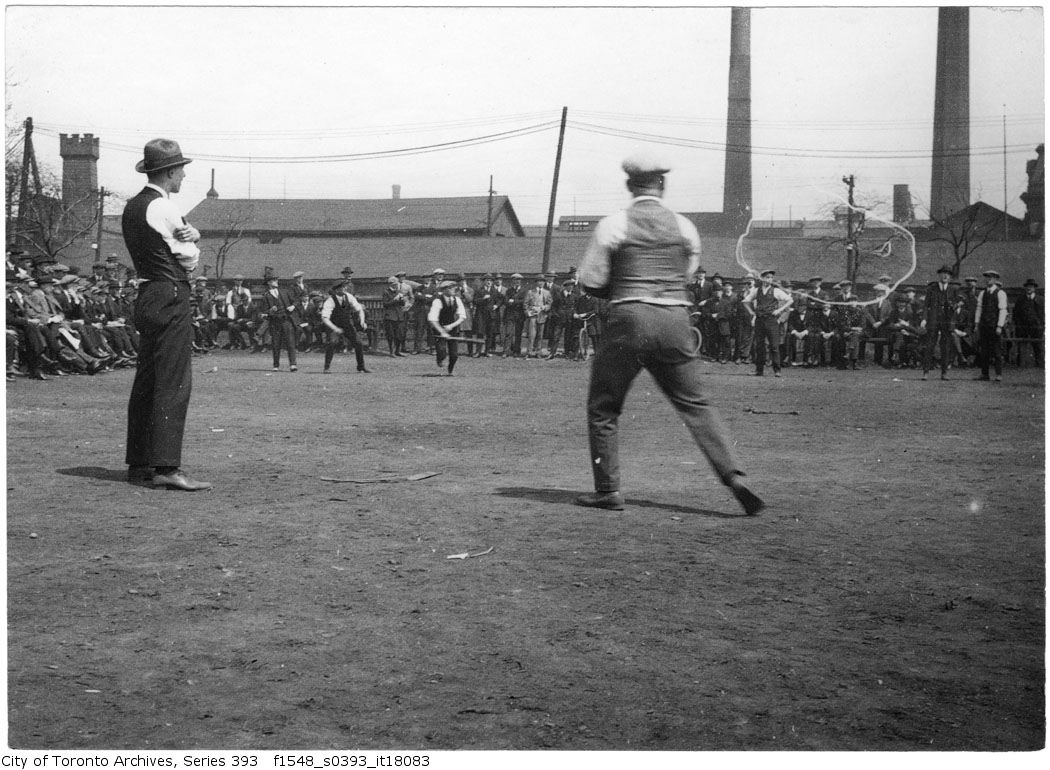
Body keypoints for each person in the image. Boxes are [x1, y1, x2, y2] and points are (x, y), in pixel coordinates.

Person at [575, 153, 763, 515]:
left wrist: (620, 287)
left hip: (630, 318)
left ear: (630, 186)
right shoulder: (685, 227)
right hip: (676, 319)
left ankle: (608, 490)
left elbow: (591, 281)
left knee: (604, 406)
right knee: (696, 403)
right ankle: (732, 475)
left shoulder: (613, 224)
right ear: (663, 185)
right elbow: (686, 274)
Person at [121, 138, 211, 490]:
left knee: (148, 378)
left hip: (147, 293)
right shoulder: (163, 207)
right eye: (181, 171)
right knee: (173, 380)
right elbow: (188, 258)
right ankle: (167, 468)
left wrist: (191, 233)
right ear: (170, 171)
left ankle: (140, 462)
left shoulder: (133, 207)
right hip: (171, 292)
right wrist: (194, 240)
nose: (184, 177)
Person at [743, 269, 792, 377]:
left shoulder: (776, 291)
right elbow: (745, 302)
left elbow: (789, 300)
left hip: (771, 321)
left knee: (774, 346)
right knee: (759, 346)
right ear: (762, 278)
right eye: (767, 277)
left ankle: (777, 370)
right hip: (760, 321)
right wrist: (752, 313)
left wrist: (779, 310)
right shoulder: (756, 290)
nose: (769, 279)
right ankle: (759, 370)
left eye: (771, 277)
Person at [322, 278, 370, 374]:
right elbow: (325, 318)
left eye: (344, 287)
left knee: (358, 343)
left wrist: (362, 321)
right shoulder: (330, 301)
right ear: (336, 290)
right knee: (332, 343)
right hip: (334, 325)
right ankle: (326, 368)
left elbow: (360, 309)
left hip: (347, 324)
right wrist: (335, 328)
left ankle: (361, 367)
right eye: (342, 287)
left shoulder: (349, 297)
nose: (344, 289)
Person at [920, 265, 960, 380]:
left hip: (946, 321)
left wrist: (955, 307)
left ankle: (944, 373)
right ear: (939, 275)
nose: (945, 276)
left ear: (950, 277)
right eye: (943, 273)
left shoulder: (953, 290)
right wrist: (924, 319)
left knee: (945, 346)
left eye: (948, 274)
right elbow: (926, 305)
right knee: (929, 346)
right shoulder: (932, 289)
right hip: (933, 320)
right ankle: (926, 372)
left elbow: (957, 306)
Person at [259, 274, 300, 371]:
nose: (276, 281)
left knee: (290, 343)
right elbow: (264, 311)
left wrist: (292, 306)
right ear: (269, 282)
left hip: (286, 320)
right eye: (274, 280)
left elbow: (296, 301)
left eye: (276, 280)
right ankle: (276, 365)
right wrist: (270, 311)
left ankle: (293, 364)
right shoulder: (266, 296)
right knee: (276, 344)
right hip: (275, 322)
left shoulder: (285, 291)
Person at [974, 269, 1008, 381]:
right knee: (984, 351)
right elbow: (979, 309)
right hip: (984, 326)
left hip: (994, 326)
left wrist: (999, 326)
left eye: (991, 277)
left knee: (997, 351)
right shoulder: (982, 293)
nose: (988, 279)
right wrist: (977, 324)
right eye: (987, 277)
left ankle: (998, 374)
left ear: (995, 279)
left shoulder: (1000, 293)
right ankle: (985, 374)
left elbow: (1003, 310)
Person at [428, 279, 466, 375]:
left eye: (454, 288)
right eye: (450, 288)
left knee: (454, 355)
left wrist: (451, 326)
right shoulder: (437, 301)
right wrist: (442, 331)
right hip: (439, 329)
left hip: (452, 329)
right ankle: (439, 360)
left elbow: (462, 317)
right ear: (444, 290)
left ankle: (450, 371)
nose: (453, 290)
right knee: (442, 352)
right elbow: (432, 319)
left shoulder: (457, 300)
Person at [1011, 278, 1043, 367]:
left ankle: (1039, 366)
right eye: (1028, 286)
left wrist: (1041, 325)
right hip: (1023, 327)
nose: (1029, 288)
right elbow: (1015, 313)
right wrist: (1018, 325)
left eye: (1031, 286)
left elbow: (1044, 314)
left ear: (1034, 288)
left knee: (1038, 347)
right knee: (1021, 347)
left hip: (1036, 328)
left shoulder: (1041, 300)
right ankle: (1021, 365)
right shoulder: (1020, 300)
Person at [523, 274, 552, 358]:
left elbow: (549, 304)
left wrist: (544, 307)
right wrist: (529, 311)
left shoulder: (547, 292)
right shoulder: (530, 292)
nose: (541, 283)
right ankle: (529, 352)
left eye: (542, 281)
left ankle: (538, 352)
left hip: (542, 315)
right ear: (536, 282)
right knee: (532, 334)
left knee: (540, 335)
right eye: (539, 281)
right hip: (533, 316)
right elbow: (525, 304)